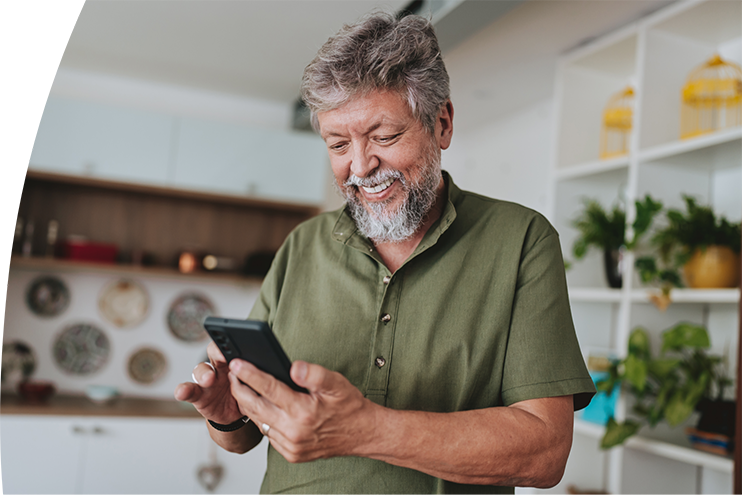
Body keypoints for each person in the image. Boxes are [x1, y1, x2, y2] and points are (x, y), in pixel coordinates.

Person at [175, 11, 595, 494]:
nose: (360, 166)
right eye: (338, 144)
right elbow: (248, 435)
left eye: (384, 136)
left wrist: (368, 429)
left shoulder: (521, 240)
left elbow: (545, 453)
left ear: (441, 124)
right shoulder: (301, 246)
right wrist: (228, 418)